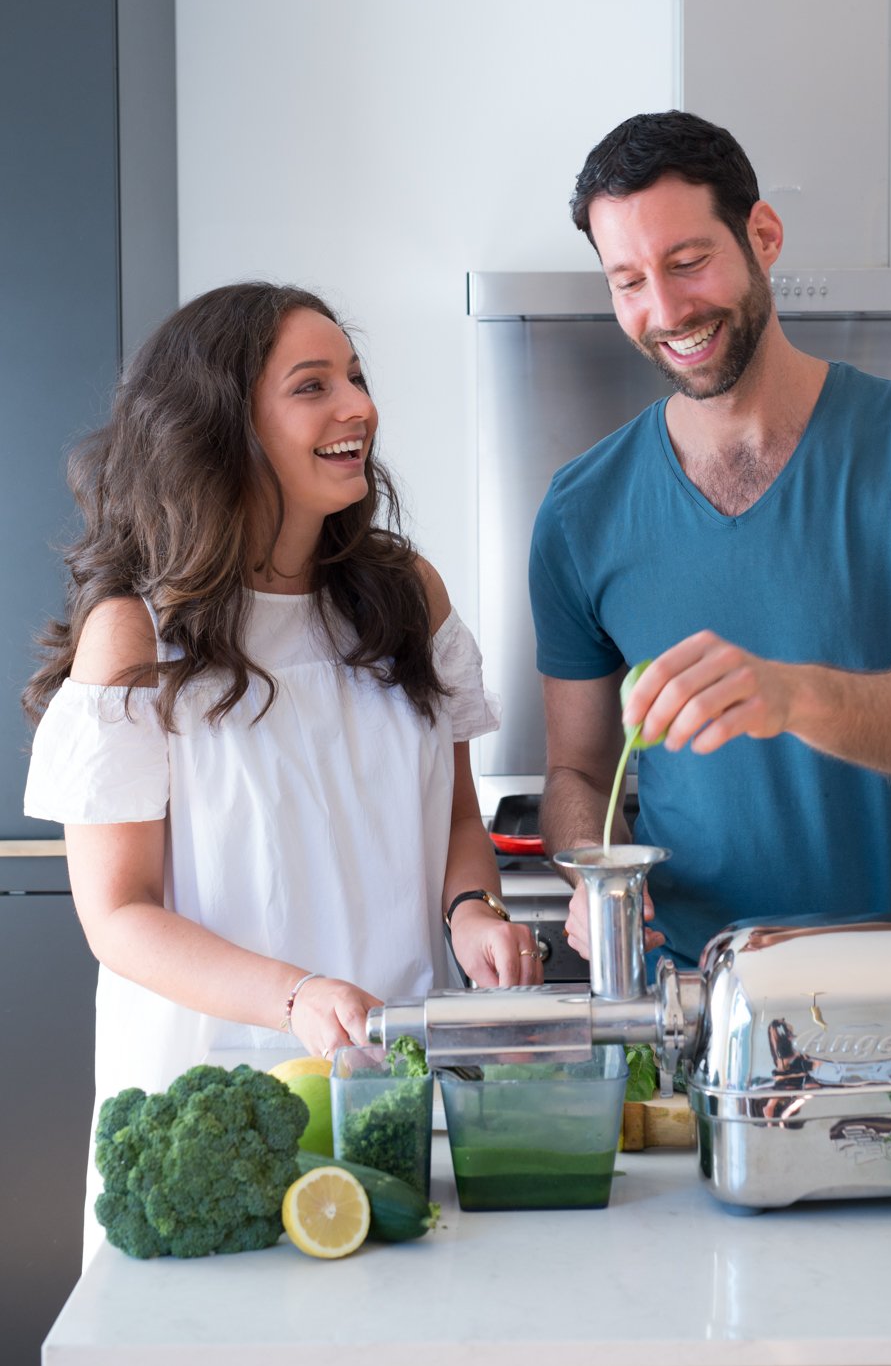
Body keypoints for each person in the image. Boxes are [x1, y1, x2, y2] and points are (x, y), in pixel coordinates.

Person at [23, 282, 540, 1262]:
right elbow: (118, 914)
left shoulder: (405, 597)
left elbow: (454, 822)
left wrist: (473, 911)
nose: (358, 407)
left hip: (389, 1099)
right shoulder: (137, 634)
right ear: (220, 425)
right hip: (210, 1115)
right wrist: (295, 996)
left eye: (355, 377)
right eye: (313, 386)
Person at [529, 110, 891, 970]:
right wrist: (594, 876)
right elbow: (575, 773)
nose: (665, 310)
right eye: (628, 281)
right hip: (693, 1004)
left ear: (762, 236)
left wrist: (787, 695)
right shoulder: (579, 510)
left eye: (687, 262)